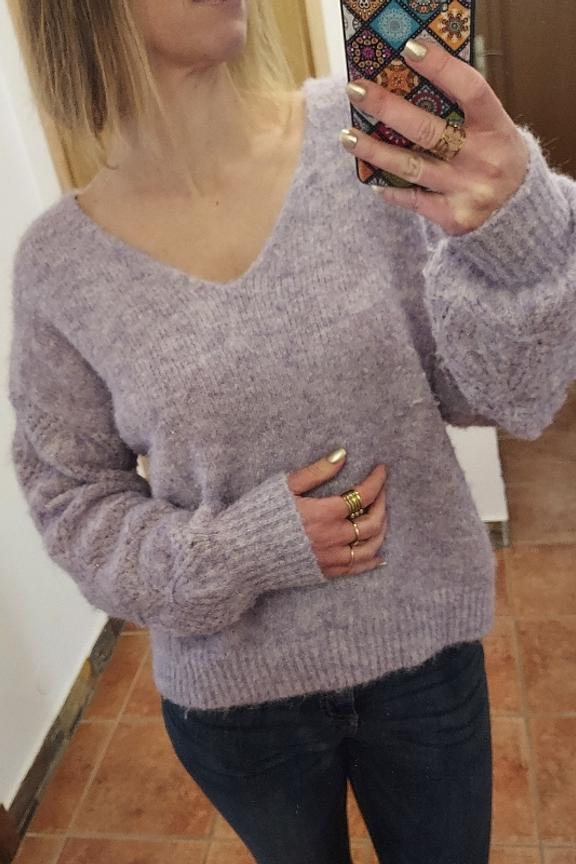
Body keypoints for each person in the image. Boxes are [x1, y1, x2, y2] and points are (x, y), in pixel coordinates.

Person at [7, 1, 576, 862]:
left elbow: (496, 395)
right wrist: (246, 550)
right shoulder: (59, 267)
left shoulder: (366, 141)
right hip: (238, 707)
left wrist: (517, 240)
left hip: (423, 656)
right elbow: (72, 501)